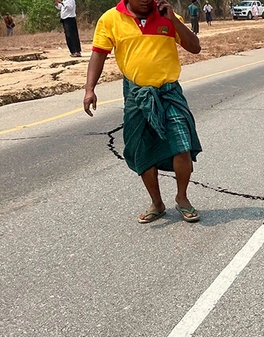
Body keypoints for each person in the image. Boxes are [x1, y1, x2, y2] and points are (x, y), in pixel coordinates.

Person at [83, 0, 203, 224]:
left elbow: (195, 47)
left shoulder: (168, 16)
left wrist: (173, 23)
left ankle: (182, 198)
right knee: (142, 150)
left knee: (182, 146)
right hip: (136, 95)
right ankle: (157, 203)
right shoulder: (110, 19)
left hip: (169, 92)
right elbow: (98, 54)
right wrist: (90, 89)